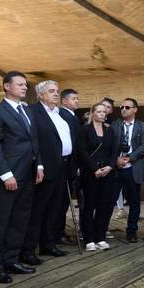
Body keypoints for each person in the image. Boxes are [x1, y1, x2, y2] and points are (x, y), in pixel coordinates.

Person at [0, 71, 44, 283]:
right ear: (6, 87)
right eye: (19, 84)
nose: (24, 87)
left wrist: (39, 165)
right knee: (0, 221)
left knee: (20, 219)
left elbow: (34, 140)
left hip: (28, 173)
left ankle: (12, 259)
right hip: (8, 175)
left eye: (25, 85)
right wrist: (5, 174)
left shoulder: (27, 111)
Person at [24, 80, 74, 264]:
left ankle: (48, 244)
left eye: (57, 91)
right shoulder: (33, 112)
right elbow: (33, 142)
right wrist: (39, 165)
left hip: (62, 166)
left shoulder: (59, 113)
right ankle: (28, 249)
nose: (56, 94)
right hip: (44, 168)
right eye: (51, 91)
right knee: (38, 210)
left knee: (54, 208)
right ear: (40, 95)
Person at [76, 103, 118, 252]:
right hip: (90, 172)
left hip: (107, 172)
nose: (101, 114)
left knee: (104, 206)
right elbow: (81, 151)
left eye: (103, 112)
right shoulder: (84, 130)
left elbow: (114, 150)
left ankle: (100, 237)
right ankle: (89, 239)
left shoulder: (110, 130)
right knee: (89, 206)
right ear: (92, 113)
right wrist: (94, 168)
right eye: (98, 111)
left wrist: (110, 166)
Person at [110, 98, 144, 243]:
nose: (123, 109)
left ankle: (131, 232)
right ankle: (101, 231)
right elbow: (110, 146)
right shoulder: (114, 126)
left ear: (135, 109)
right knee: (109, 200)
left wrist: (129, 157)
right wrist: (116, 160)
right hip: (116, 168)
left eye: (127, 107)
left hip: (133, 167)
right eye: (121, 107)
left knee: (134, 201)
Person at [57, 88, 81, 246]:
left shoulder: (71, 116)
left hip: (71, 165)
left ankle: (59, 231)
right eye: (73, 98)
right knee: (60, 202)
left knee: (63, 201)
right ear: (64, 101)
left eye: (77, 98)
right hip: (66, 165)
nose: (76, 101)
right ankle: (58, 232)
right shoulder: (64, 116)